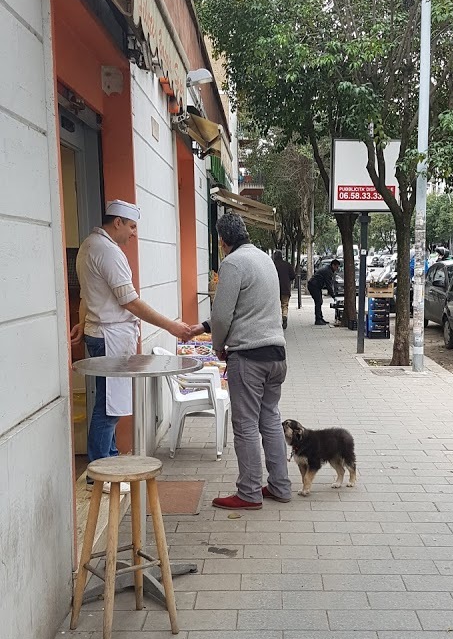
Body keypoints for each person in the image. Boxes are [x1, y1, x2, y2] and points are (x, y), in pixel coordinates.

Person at [70, 199, 192, 489]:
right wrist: (171, 325)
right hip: (109, 336)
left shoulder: (88, 245)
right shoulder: (108, 252)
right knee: (108, 406)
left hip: (100, 331)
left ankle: (108, 460)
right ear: (117, 223)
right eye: (132, 226)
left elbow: (88, 296)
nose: (134, 233)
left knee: (108, 400)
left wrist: (81, 321)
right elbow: (130, 302)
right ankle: (99, 472)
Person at [210, 213, 292, 511]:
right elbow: (251, 308)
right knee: (269, 419)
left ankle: (248, 492)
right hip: (277, 355)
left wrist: (218, 346)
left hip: (249, 357)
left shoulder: (232, 263)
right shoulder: (264, 259)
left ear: (222, 241)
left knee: (244, 425)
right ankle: (281, 486)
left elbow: (222, 315)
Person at [307, 259, 340, 325]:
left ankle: (320, 318)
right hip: (314, 286)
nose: (337, 268)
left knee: (319, 301)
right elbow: (328, 285)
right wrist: (333, 295)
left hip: (316, 286)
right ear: (333, 265)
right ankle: (318, 320)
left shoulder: (328, 269)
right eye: (336, 267)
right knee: (318, 302)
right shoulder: (327, 271)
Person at [272, 250, 296, 329]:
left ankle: (275, 321)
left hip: (274, 289)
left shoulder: (272, 265)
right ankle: (284, 316)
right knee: (284, 305)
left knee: (275, 305)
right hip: (285, 288)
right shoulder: (287, 264)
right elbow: (293, 275)